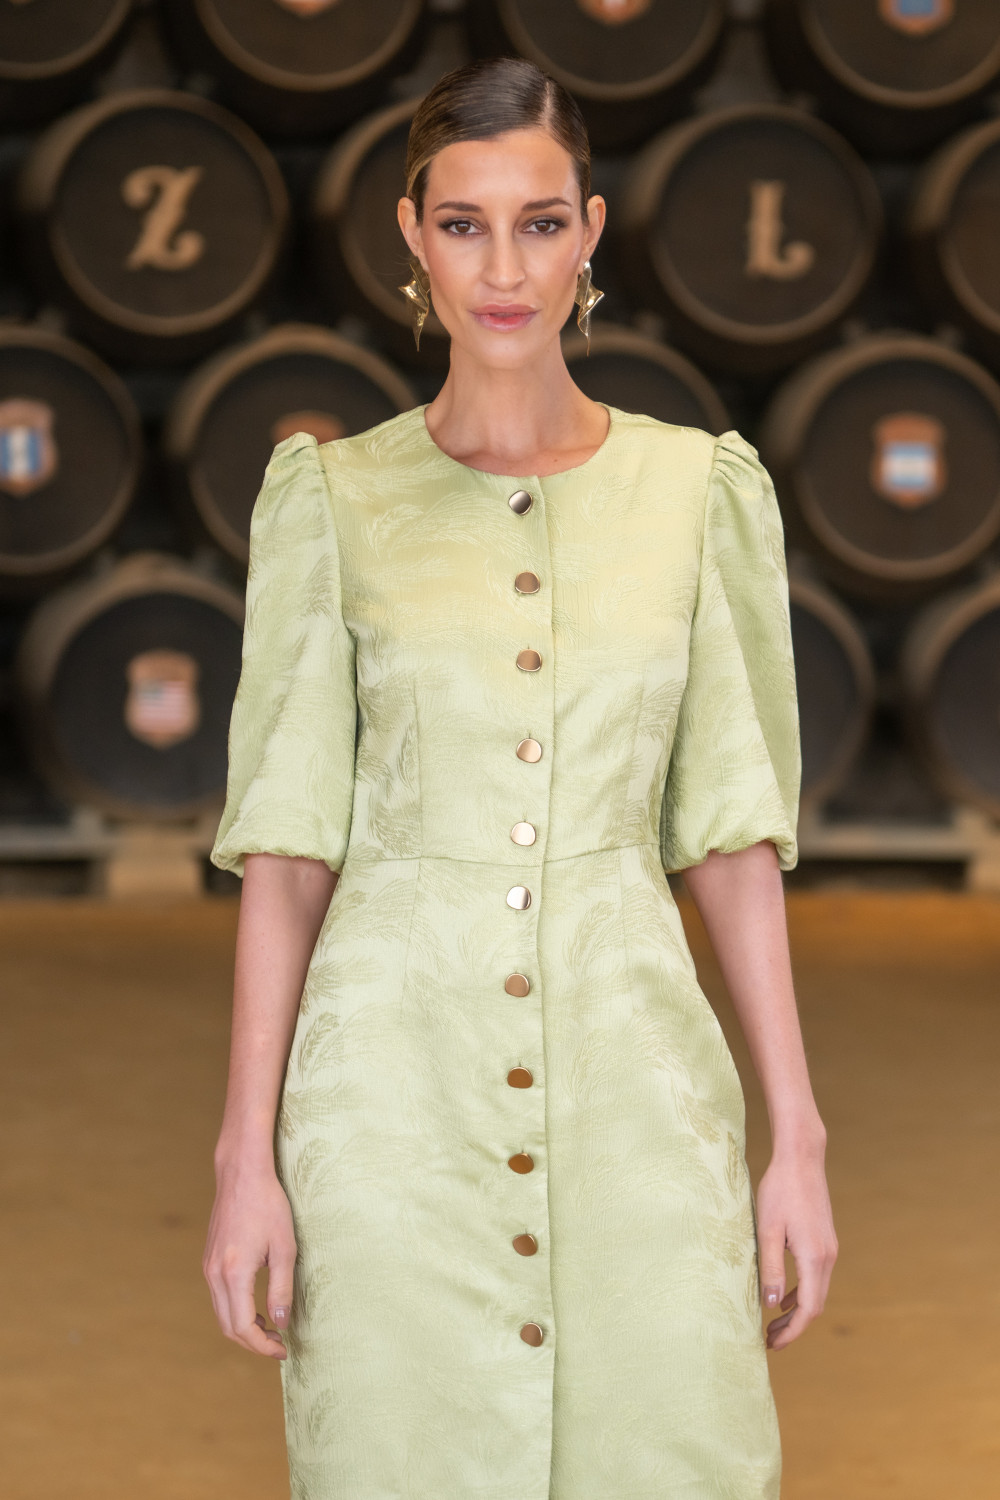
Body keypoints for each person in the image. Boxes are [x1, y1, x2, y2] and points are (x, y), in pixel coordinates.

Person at [203, 54, 837, 1500]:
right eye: (466, 224)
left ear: (591, 233)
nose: (504, 269)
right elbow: (288, 853)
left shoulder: (696, 493)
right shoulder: (332, 501)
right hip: (386, 1112)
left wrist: (794, 1135)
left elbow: (729, 836)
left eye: (540, 223)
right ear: (412, 237)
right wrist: (247, 1157)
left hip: (641, 1100)